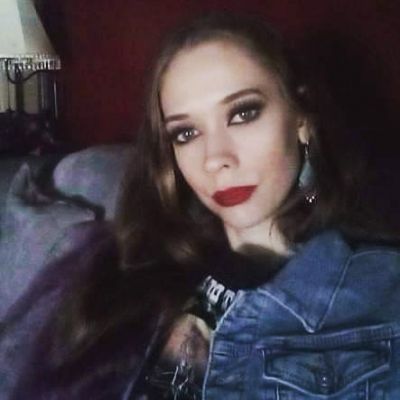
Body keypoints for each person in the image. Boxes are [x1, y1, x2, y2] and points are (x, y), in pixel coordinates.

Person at [6, 12, 400, 400]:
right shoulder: (121, 269)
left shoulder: (380, 295)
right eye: (186, 133)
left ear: (301, 120)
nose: (215, 159)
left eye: (243, 113)